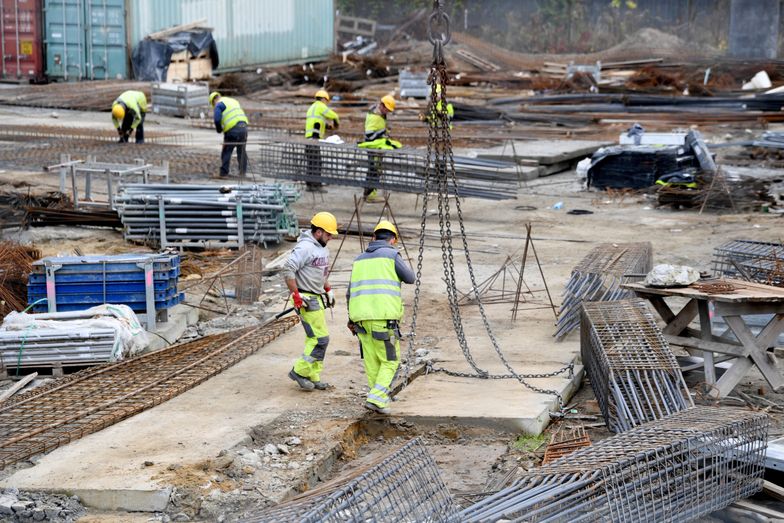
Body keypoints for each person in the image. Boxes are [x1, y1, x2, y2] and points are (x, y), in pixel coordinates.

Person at [346, 220, 415, 414]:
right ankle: (376, 398)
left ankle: (379, 401)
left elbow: (349, 292)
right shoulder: (392, 255)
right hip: (383, 320)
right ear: (393, 240)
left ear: (373, 237)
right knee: (391, 361)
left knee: (372, 361)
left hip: (360, 320)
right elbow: (410, 278)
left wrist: (350, 319)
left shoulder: (359, 259)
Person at [283, 211, 339, 391]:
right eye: (329, 234)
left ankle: (313, 375)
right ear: (318, 232)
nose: (330, 237)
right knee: (320, 339)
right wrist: (296, 295)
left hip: (317, 297)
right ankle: (299, 371)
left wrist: (328, 289)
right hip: (307, 299)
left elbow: (321, 274)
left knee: (316, 339)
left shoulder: (322, 248)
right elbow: (288, 270)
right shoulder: (305, 248)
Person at [358, 95, 401, 202]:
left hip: (377, 147)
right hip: (373, 147)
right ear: (382, 105)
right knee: (374, 169)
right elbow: (369, 135)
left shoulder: (379, 113)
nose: (388, 112)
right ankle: (369, 194)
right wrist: (383, 131)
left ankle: (369, 193)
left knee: (374, 169)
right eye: (387, 109)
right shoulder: (374, 117)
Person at [304, 89, 340, 190]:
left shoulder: (312, 107)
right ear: (324, 99)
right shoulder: (320, 106)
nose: (326, 104)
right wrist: (336, 123)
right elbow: (334, 115)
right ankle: (316, 185)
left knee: (311, 162)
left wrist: (327, 126)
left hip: (308, 139)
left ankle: (310, 184)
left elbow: (317, 122)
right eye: (326, 101)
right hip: (314, 139)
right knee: (317, 162)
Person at [210, 91, 249, 178]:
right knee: (241, 151)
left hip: (232, 129)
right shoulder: (233, 101)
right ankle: (242, 173)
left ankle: (224, 173)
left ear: (213, 101)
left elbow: (217, 119)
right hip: (244, 128)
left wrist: (219, 129)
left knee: (227, 151)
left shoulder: (219, 104)